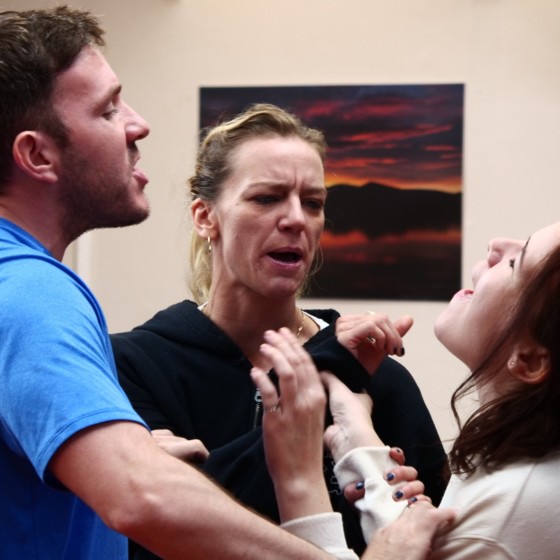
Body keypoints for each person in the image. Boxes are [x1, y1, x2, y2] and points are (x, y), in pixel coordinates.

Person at [0, 7, 398, 559]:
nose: (138, 125)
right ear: (37, 154)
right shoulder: (29, 292)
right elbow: (142, 498)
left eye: (313, 202)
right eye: (108, 109)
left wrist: (129, 452)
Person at [112, 103, 449, 556]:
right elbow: (154, 530)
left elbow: (433, 536)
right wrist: (327, 366)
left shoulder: (377, 377)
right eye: (266, 198)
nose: (296, 219)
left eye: (313, 203)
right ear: (205, 216)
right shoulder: (134, 364)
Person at [260, 223, 560, 559]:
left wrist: (299, 482)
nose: (495, 244)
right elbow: (417, 547)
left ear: (530, 360)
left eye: (515, 263)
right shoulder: (518, 464)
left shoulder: (511, 506)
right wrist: (359, 444)